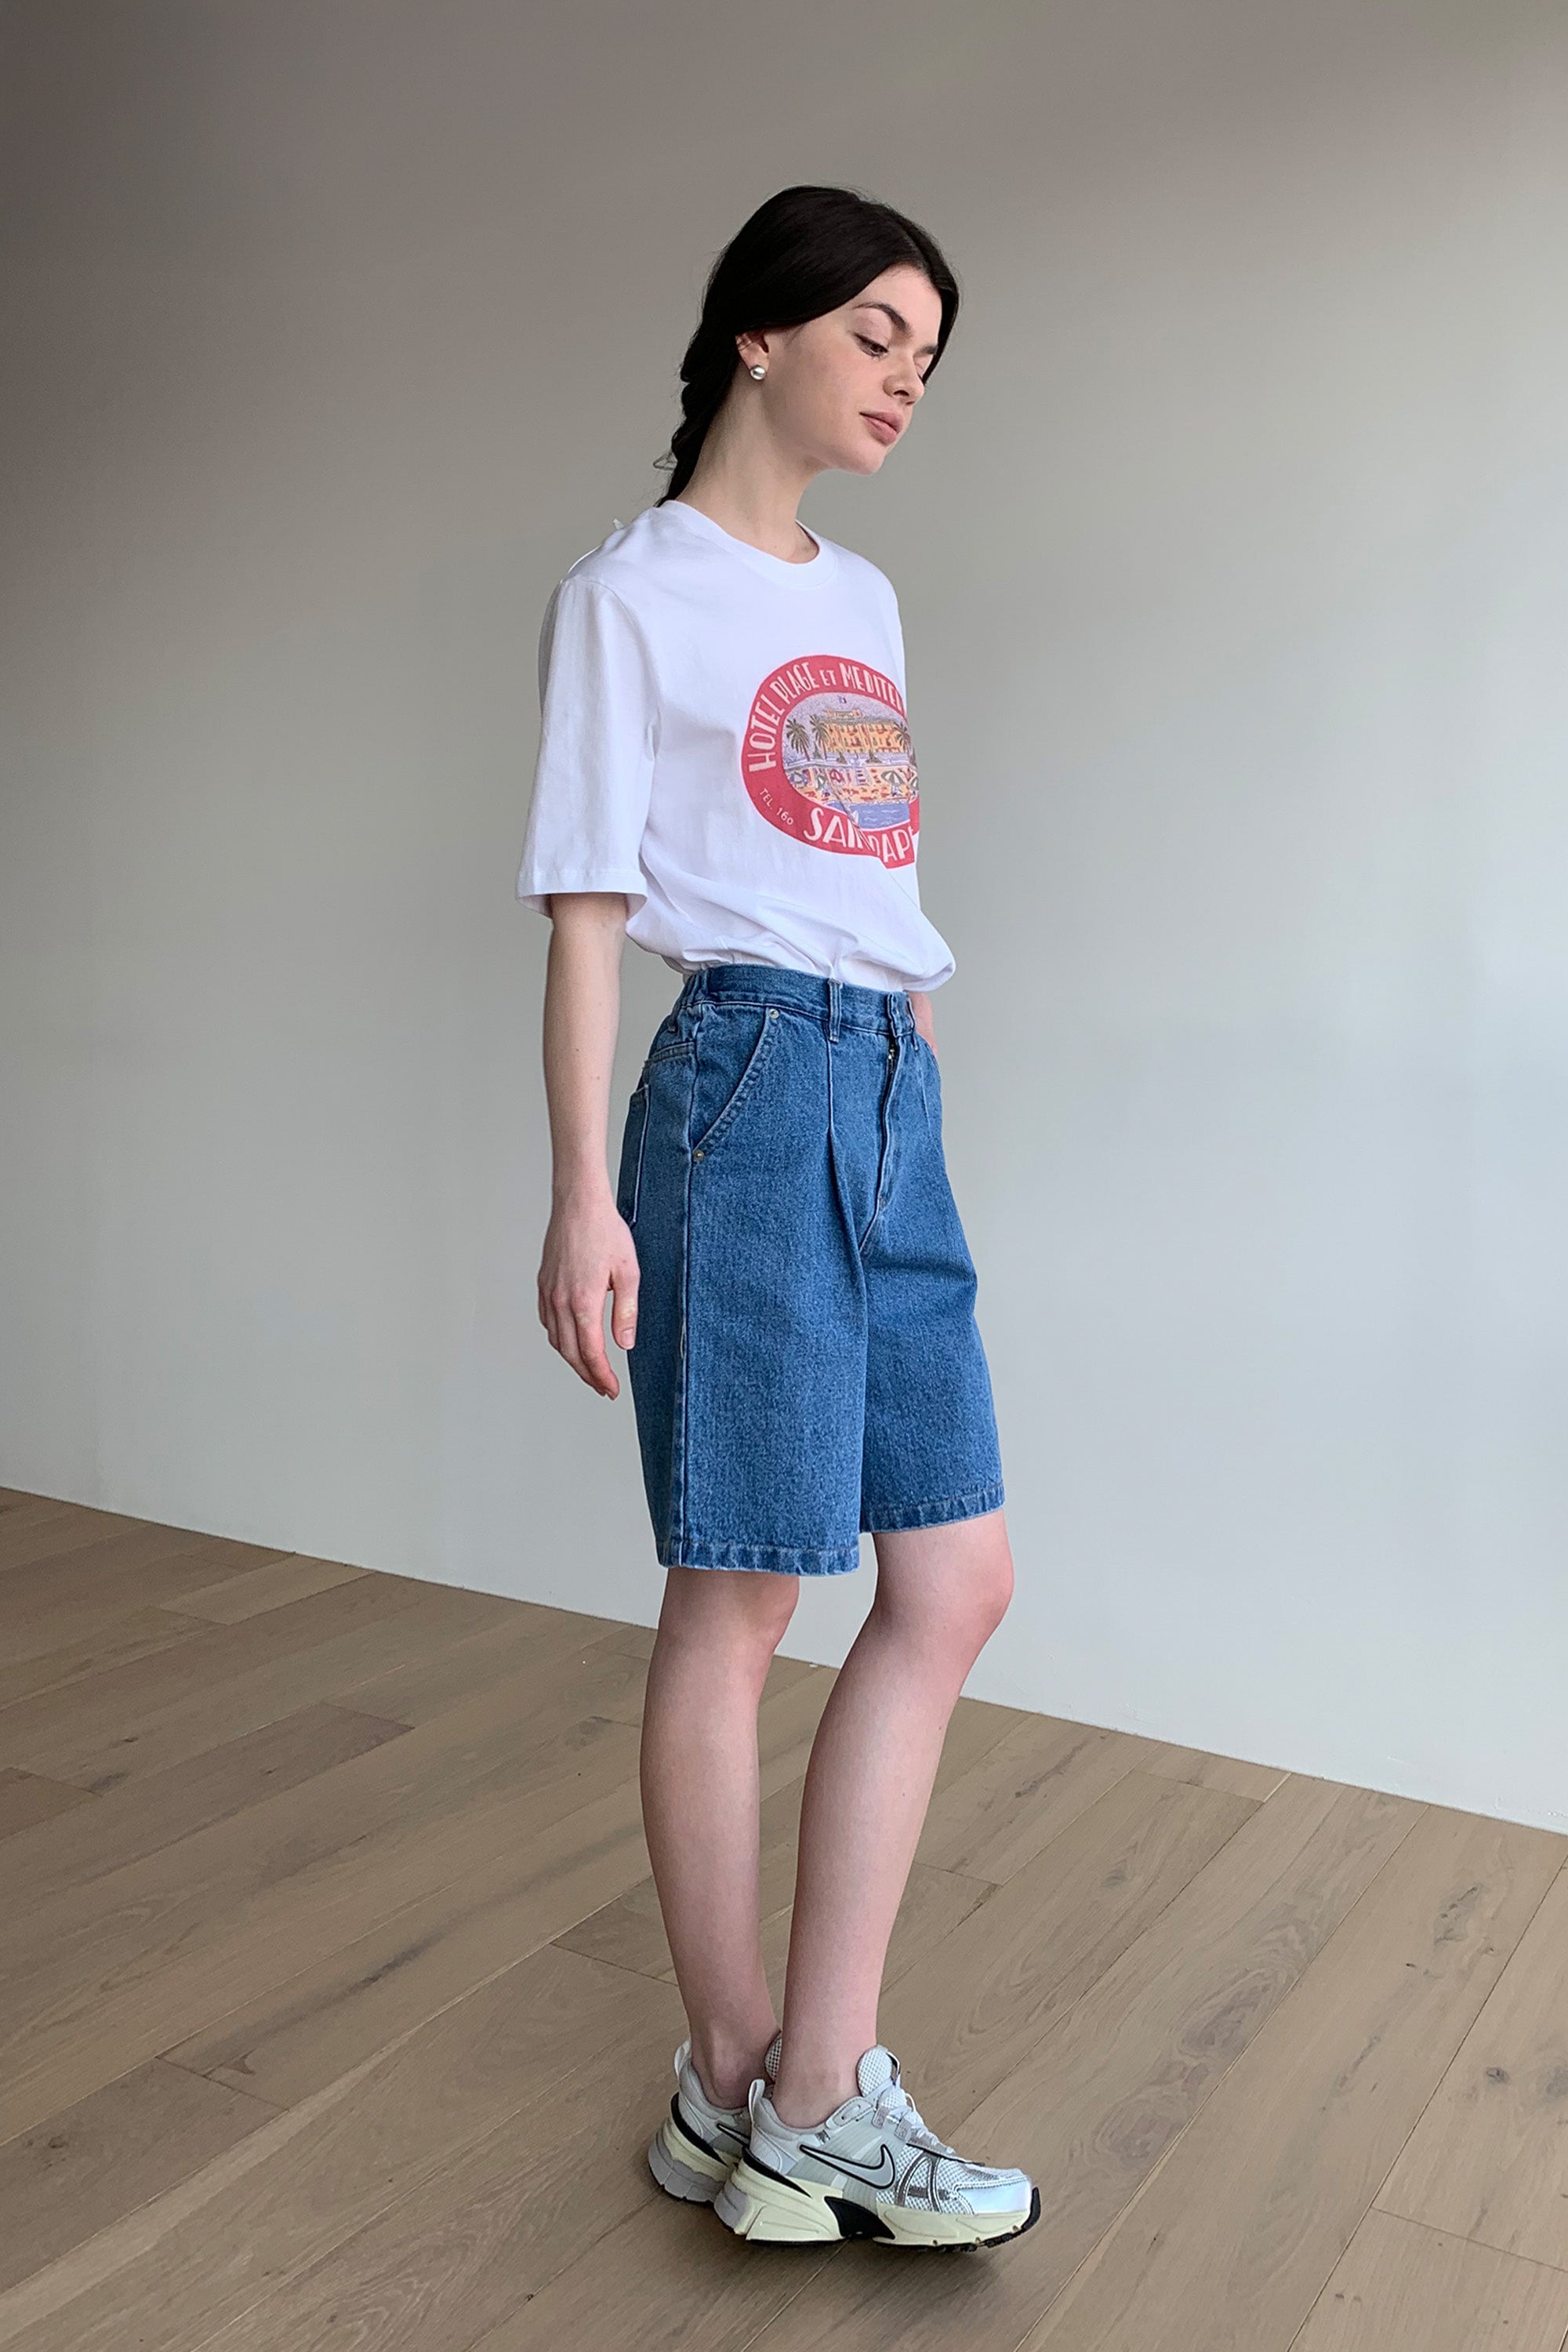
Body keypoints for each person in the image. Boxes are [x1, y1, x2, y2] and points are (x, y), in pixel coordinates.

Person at [517, 183, 1038, 2251]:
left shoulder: (867, 598)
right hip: (739, 1084)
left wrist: (910, 1068)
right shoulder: (629, 594)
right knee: (740, 1597)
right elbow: (585, 913)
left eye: (930, 355)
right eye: (876, 334)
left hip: (889, 1082)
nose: (907, 378)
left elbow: (865, 867)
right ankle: (753, 2079)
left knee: (957, 1577)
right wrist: (581, 1195)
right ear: (762, 331)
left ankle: (803, 2092)